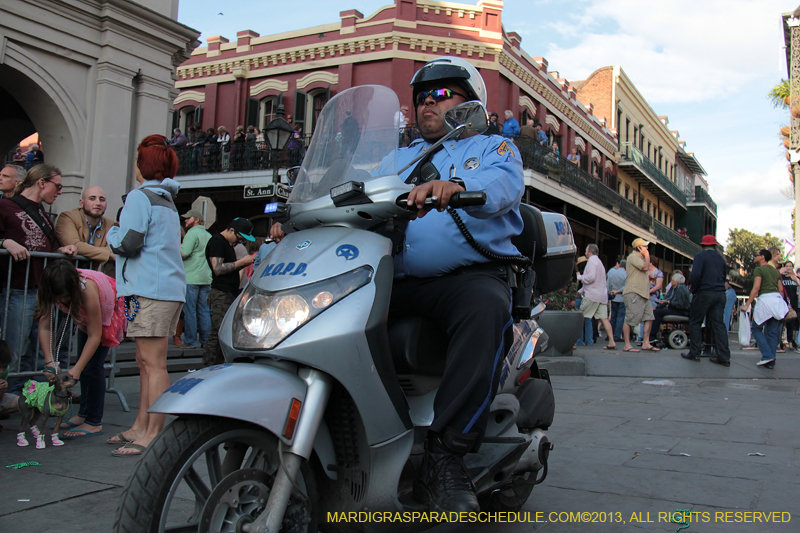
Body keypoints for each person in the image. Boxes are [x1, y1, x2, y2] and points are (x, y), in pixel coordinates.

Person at [271, 56, 523, 513]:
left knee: (485, 308)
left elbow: (502, 185)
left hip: (465, 278)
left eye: (443, 94)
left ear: (471, 104)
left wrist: (455, 184)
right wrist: (301, 214)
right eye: (423, 97)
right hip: (393, 275)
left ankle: (446, 455)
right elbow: (352, 194)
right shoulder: (398, 157)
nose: (429, 103)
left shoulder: (492, 147)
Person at [106, 134, 186, 456]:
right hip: (160, 289)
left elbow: (128, 243)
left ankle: (151, 433)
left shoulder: (141, 197)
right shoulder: (166, 199)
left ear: (143, 165)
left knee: (152, 364)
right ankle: (141, 426)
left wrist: (112, 232)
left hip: (148, 290)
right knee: (146, 362)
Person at [0, 165, 78, 395]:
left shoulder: (44, 213)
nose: (60, 191)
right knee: (13, 350)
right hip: (15, 290)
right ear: (42, 182)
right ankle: (7, 397)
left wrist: (61, 249)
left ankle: (27, 396)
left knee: (37, 350)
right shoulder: (5, 206)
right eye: (58, 185)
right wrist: (4, 242)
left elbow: (46, 246)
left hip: (40, 291)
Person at [34, 260, 125, 438]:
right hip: (86, 314)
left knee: (92, 366)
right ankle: (83, 413)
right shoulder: (46, 288)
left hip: (107, 308)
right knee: (84, 367)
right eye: (57, 299)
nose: (60, 302)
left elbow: (95, 336)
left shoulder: (88, 290)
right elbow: (45, 327)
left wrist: (76, 369)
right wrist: (49, 361)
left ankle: (93, 421)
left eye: (64, 298)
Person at [203, 218, 255, 367]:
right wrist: (241, 263)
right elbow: (218, 269)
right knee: (219, 331)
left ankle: (215, 363)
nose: (240, 242)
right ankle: (210, 365)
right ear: (232, 230)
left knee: (221, 330)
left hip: (228, 291)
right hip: (221, 291)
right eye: (239, 238)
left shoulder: (227, 243)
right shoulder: (217, 242)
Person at [681, 235, 730, 365]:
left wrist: (694, 290)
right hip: (720, 293)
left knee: (695, 322)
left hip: (705, 292)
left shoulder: (700, 257)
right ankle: (724, 356)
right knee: (718, 324)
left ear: (702, 245)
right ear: (714, 245)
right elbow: (724, 275)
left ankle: (695, 352)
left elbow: (695, 274)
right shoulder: (721, 259)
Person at [54, 186, 116, 277]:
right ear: (81, 203)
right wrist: (108, 254)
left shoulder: (109, 223)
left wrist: (86, 250)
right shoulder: (67, 217)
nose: (98, 203)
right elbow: (75, 245)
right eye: (92, 199)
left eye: (102, 199)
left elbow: (113, 248)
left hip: (90, 278)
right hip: (63, 277)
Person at [741, 249, 786, 369]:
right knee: (772, 332)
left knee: (756, 328)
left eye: (756, 255)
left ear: (762, 257)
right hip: (776, 300)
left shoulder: (759, 270)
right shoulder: (775, 271)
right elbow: (781, 289)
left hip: (765, 300)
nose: (754, 257)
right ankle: (771, 361)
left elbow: (756, 288)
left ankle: (767, 356)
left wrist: (747, 304)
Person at [179, 209, 213, 350]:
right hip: (206, 278)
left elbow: (184, 254)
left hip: (191, 277)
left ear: (197, 220)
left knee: (190, 310)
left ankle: (190, 341)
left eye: (188, 218)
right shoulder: (208, 235)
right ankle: (206, 341)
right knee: (204, 310)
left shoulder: (191, 234)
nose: (185, 220)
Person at [577, 244, 616, 349]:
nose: (585, 252)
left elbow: (591, 278)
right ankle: (611, 341)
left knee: (580, 317)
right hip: (601, 295)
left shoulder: (592, 262)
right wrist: (581, 291)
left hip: (592, 295)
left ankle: (574, 341)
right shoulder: (599, 263)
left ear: (589, 252)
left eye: (586, 250)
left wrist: (580, 277)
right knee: (604, 319)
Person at [622, 237, 658, 352]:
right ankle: (627, 344)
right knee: (630, 318)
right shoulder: (633, 257)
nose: (647, 248)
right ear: (639, 247)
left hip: (643, 293)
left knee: (649, 317)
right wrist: (647, 255)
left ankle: (646, 343)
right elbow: (644, 267)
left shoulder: (641, 259)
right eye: (645, 246)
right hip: (634, 292)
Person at [650, 272, 691, 344]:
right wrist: (658, 307)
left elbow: (680, 305)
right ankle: (652, 335)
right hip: (675, 309)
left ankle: (652, 336)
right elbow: (667, 299)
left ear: (676, 282)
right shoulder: (673, 289)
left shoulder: (681, 288)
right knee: (657, 311)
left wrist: (668, 303)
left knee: (658, 313)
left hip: (681, 311)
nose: (671, 282)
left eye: (672, 280)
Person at [780, 262, 799, 351]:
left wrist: (795, 279)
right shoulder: (780, 278)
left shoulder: (795, 278)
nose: (788, 268)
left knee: (791, 323)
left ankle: (791, 342)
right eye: (786, 266)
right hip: (782, 302)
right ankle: (780, 342)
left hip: (793, 303)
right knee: (781, 323)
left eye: (790, 266)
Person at [606, 257, 626, 342]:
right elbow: (626, 287)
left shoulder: (612, 272)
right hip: (622, 298)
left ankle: (610, 335)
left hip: (613, 298)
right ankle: (617, 335)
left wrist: (609, 293)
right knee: (620, 317)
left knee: (613, 317)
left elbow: (607, 285)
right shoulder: (625, 274)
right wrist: (618, 291)